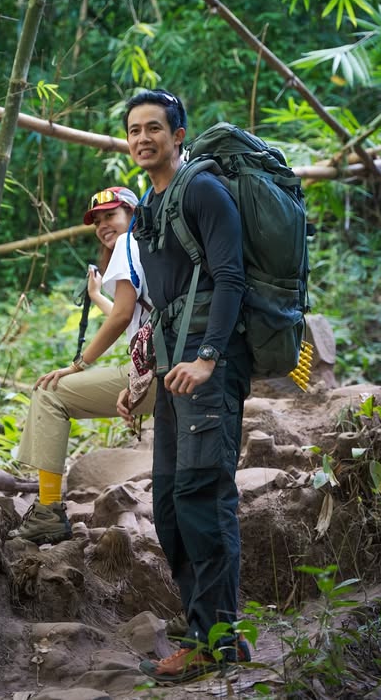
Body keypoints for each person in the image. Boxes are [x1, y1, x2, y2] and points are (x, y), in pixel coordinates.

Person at [118, 89, 252, 684]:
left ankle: (213, 643)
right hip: (172, 372)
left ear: (177, 134)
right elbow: (162, 301)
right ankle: (213, 635)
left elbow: (230, 278)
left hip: (207, 370)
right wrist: (143, 371)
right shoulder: (150, 201)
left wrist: (206, 357)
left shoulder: (202, 189)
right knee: (170, 508)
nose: (142, 138)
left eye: (153, 128)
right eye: (133, 130)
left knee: (203, 499)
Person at [9, 186, 155, 545]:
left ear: (133, 213)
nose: (104, 225)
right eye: (98, 220)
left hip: (155, 373)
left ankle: (46, 513)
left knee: (50, 393)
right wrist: (97, 296)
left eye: (111, 215)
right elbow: (135, 316)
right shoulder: (152, 245)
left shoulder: (128, 243)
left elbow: (122, 317)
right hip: (172, 366)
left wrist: (78, 365)